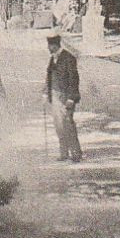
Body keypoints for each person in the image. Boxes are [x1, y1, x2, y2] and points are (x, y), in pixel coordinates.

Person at [44, 32, 82, 162]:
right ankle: (64, 153)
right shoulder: (53, 58)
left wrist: (71, 98)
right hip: (55, 96)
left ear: (55, 45)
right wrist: (46, 92)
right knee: (58, 126)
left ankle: (75, 153)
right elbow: (49, 76)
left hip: (66, 97)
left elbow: (74, 79)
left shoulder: (68, 58)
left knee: (68, 124)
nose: (48, 48)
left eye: (50, 46)